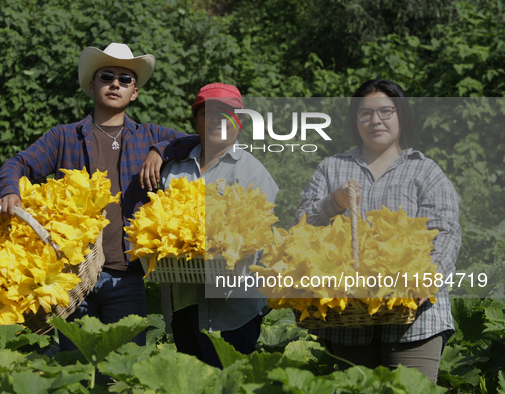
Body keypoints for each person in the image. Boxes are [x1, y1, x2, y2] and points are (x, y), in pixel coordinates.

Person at [0, 42, 198, 349]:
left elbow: (199, 139)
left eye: (125, 79)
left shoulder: (149, 136)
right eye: (106, 76)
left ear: (134, 92)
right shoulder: (64, 137)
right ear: (92, 86)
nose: (115, 83)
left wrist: (160, 151)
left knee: (124, 369)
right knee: (75, 366)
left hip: (127, 276)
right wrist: (10, 191)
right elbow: (18, 163)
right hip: (72, 276)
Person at [293, 79, 461, 381]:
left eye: (386, 111)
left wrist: (429, 276)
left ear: (401, 116)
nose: (375, 121)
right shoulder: (331, 169)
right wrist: (333, 202)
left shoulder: (425, 170)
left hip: (415, 321)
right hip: (348, 321)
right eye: (365, 113)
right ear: (355, 120)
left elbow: (446, 233)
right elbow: (299, 230)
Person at [159, 83, 279, 368]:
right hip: (185, 302)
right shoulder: (173, 169)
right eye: (208, 113)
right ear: (197, 121)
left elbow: (260, 240)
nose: (217, 120)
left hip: (234, 308)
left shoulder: (252, 171)